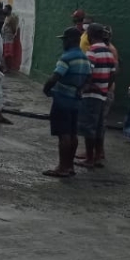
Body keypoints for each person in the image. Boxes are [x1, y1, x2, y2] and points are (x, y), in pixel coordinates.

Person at [43, 26, 91, 178]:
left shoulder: (66, 57)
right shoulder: (84, 58)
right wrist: (81, 89)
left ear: (70, 40)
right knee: (72, 133)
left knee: (63, 134)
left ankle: (62, 167)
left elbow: (55, 76)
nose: (63, 43)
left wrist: (46, 89)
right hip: (76, 100)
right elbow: (89, 78)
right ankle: (69, 166)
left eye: (64, 40)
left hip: (62, 98)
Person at [78, 24, 116, 167]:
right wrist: (105, 87)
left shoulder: (91, 52)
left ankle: (89, 158)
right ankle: (98, 156)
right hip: (103, 93)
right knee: (99, 126)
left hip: (91, 95)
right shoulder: (109, 52)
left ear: (90, 35)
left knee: (89, 127)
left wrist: (86, 87)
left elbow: (87, 73)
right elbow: (113, 74)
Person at [2, 4, 21, 71]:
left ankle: (8, 67)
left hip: (8, 38)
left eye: (5, 9)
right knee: (5, 53)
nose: (4, 10)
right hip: (5, 38)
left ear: (9, 10)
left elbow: (13, 28)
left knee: (8, 54)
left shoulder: (11, 18)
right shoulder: (7, 17)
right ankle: (6, 67)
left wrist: (12, 35)